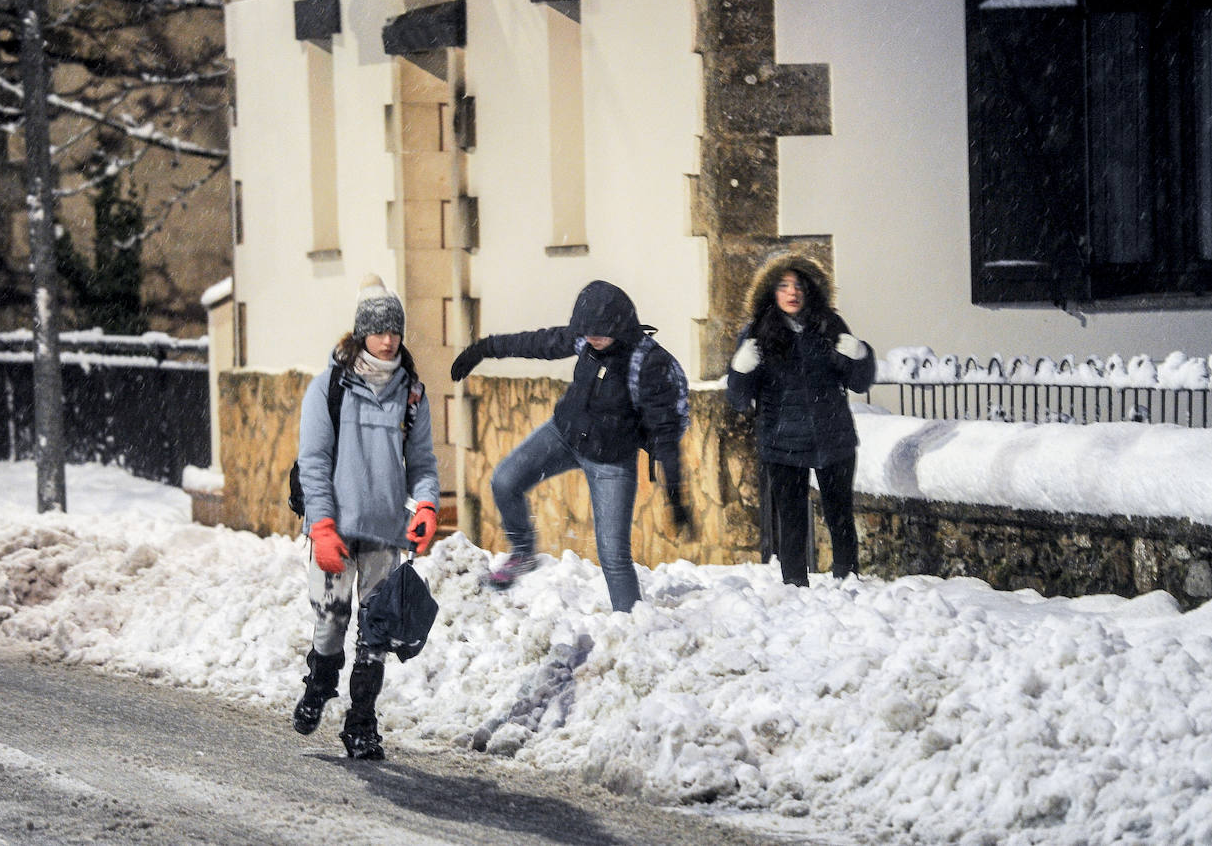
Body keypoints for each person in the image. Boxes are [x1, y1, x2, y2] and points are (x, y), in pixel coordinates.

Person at [449, 280, 690, 613]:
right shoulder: (586, 339)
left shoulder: (648, 364)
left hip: (611, 461)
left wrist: (675, 493)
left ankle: (632, 624)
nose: (591, 338)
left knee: (613, 554)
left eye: (600, 332)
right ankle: (522, 552)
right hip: (563, 435)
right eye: (587, 331)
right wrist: (483, 349)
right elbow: (537, 342)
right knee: (504, 480)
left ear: (619, 326)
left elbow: (664, 432)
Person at [291, 274, 440, 760]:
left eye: (394, 329)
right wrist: (322, 525)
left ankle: (361, 724)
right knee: (332, 622)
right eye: (378, 329)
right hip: (334, 529)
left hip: (383, 533)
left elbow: (422, 465)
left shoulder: (412, 395)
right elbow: (313, 462)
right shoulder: (328, 388)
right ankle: (320, 683)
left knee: (375, 635)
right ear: (361, 333)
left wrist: (427, 505)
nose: (388, 338)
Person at [726, 253, 875, 586]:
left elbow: (859, 382)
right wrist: (740, 368)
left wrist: (861, 356)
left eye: (798, 285)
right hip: (783, 443)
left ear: (810, 290)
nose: (791, 292)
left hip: (833, 437)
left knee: (840, 518)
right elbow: (737, 399)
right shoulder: (758, 333)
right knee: (792, 524)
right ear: (771, 292)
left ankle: (847, 585)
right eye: (783, 285)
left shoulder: (829, 325)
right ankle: (794, 590)